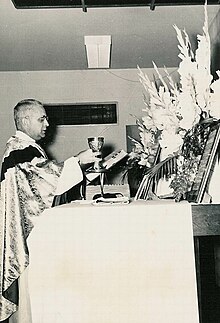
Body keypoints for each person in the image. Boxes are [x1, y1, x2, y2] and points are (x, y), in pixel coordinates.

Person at [0, 99, 99, 322]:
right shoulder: (19, 150)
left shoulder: (26, 148)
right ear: (25, 120)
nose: (47, 123)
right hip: (29, 236)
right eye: (41, 118)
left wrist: (81, 169)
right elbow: (46, 181)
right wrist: (78, 161)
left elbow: (45, 185)